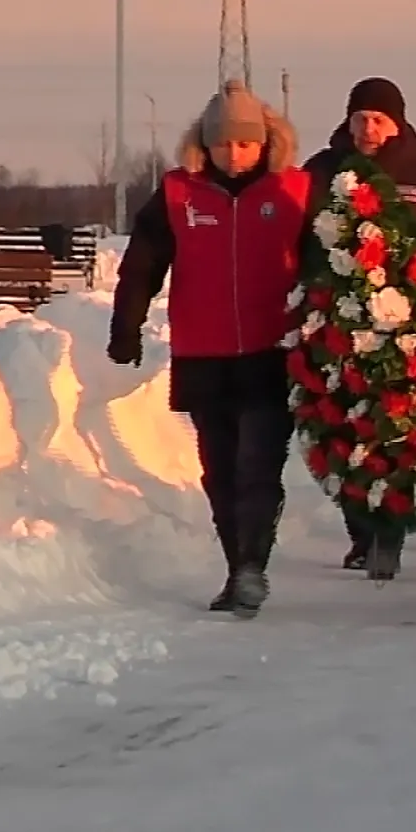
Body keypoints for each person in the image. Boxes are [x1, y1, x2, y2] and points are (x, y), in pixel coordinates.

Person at [109, 80, 309, 618]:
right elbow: (142, 265)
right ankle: (235, 567)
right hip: (204, 356)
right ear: (206, 144)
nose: (235, 154)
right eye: (224, 144)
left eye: (245, 144)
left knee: (257, 465)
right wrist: (125, 328)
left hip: (271, 353)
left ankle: (252, 565)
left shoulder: (294, 193)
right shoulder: (179, 194)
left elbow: (328, 264)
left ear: (265, 142)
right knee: (218, 470)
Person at [303, 76, 416, 579]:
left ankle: (388, 531)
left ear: (398, 123)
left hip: (407, 327)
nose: (368, 128)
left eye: (379, 119)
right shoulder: (322, 172)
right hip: (338, 321)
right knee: (343, 429)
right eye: (360, 117)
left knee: (394, 429)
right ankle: (360, 532)